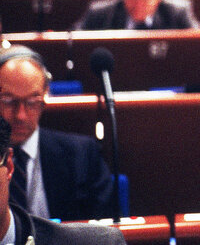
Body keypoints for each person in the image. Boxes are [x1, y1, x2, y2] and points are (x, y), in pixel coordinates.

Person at [0, 45, 115, 221]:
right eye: (8, 101)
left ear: (46, 94)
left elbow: (104, 231)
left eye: (32, 101)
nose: (21, 115)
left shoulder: (82, 155)